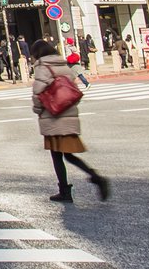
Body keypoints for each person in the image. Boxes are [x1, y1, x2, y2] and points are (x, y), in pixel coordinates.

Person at [29, 39, 110, 202]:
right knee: (68, 154)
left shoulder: (42, 67)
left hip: (53, 116)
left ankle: (66, 190)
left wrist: (38, 110)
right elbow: (73, 90)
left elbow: (38, 93)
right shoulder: (63, 65)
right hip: (69, 114)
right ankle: (93, 177)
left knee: (57, 155)